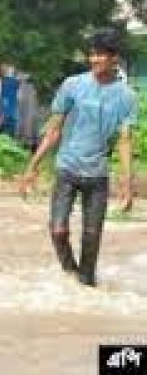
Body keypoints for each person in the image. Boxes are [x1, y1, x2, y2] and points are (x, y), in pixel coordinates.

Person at [20, 29, 137, 288]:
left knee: (92, 236)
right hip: (66, 169)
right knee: (58, 230)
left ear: (114, 58)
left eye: (101, 55)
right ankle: (71, 274)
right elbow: (54, 129)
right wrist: (33, 166)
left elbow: (125, 141)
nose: (94, 59)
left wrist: (127, 184)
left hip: (98, 176)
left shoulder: (126, 97)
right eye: (92, 54)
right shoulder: (72, 85)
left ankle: (86, 285)